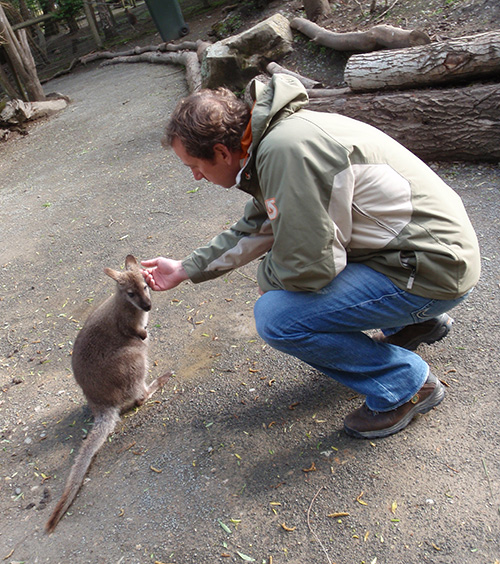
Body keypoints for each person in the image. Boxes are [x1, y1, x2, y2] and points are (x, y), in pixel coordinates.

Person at [141, 74, 481, 439]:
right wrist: (185, 268)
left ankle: (405, 386)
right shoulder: (275, 140)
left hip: (431, 270)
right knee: (289, 289)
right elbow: (260, 226)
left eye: (194, 165)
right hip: (426, 253)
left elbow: (311, 266)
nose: (195, 176)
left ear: (222, 153)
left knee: (277, 316)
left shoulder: (286, 153)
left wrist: (269, 284)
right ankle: (414, 324)